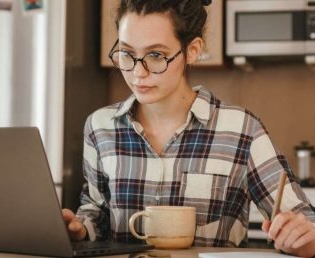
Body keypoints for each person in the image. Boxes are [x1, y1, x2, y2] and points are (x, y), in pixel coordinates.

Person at [62, 0, 315, 256]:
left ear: (192, 50)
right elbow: (97, 213)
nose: (138, 72)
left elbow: (304, 221)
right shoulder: (100, 127)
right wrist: (79, 228)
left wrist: (301, 236)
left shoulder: (242, 130)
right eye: (127, 53)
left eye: (156, 55)